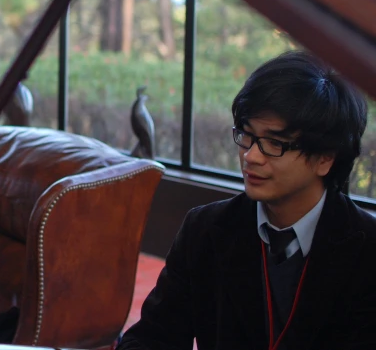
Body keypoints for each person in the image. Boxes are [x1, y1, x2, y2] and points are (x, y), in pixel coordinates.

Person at [119, 51, 376, 350]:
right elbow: (151, 338)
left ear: (325, 158)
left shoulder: (367, 251)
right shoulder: (205, 229)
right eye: (246, 135)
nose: (250, 157)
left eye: (274, 143)